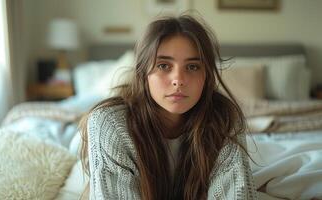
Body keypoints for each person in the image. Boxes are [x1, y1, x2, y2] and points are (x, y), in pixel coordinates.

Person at [80, 14, 257, 200]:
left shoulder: (226, 119)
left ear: (207, 76)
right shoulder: (109, 122)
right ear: (143, 73)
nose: (178, 80)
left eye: (192, 67)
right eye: (164, 65)